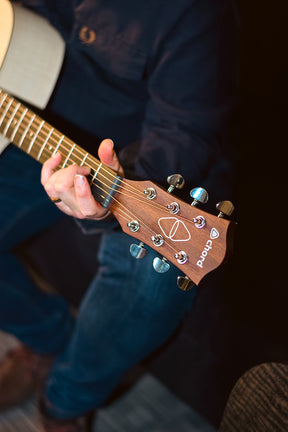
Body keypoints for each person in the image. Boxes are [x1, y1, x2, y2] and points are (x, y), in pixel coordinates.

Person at [0, 0, 238, 431]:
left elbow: (185, 133)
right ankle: (47, 341)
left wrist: (105, 204)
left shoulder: (196, 12)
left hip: (140, 166)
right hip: (34, 115)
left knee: (153, 277)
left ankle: (65, 402)